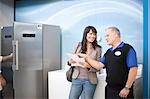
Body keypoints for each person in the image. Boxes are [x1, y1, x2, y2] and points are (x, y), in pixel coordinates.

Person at [77, 26, 138, 99]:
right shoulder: (108, 52)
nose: (106, 38)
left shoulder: (128, 49)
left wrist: (127, 88)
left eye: (107, 35)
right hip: (110, 90)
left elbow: (133, 69)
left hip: (123, 90)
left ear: (116, 35)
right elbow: (99, 65)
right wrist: (86, 57)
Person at [67, 26, 102, 99]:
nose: (92, 36)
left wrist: (89, 67)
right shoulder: (78, 45)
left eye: (94, 34)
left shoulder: (98, 49)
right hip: (77, 78)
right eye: (90, 34)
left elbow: (98, 67)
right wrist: (70, 61)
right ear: (85, 34)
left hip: (90, 80)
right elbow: (70, 61)